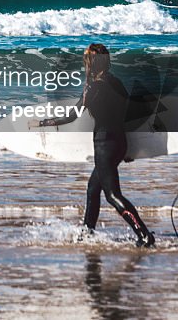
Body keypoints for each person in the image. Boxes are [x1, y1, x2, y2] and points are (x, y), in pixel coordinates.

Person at [40, 43, 155, 248]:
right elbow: (128, 114)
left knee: (112, 195)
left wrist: (44, 123)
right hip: (119, 142)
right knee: (93, 188)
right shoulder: (116, 82)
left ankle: (144, 235)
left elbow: (72, 116)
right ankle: (87, 232)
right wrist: (128, 149)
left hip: (104, 145)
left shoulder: (92, 87)